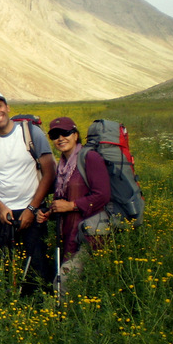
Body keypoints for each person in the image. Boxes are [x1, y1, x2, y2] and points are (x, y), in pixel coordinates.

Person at [0, 91, 55, 295]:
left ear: (7, 107)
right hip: (4, 213)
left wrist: (32, 208)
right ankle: (13, 303)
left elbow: (49, 172)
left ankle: (40, 305)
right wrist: (1, 207)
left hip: (33, 209)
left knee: (37, 262)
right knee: (8, 263)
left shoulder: (31, 133)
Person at [37, 117, 111, 293]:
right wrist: (50, 212)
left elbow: (103, 194)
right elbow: (62, 200)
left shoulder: (89, 158)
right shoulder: (62, 166)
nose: (60, 138)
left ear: (76, 135)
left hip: (89, 236)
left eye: (66, 133)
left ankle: (58, 318)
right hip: (69, 235)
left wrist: (71, 206)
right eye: (55, 135)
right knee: (79, 285)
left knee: (64, 281)